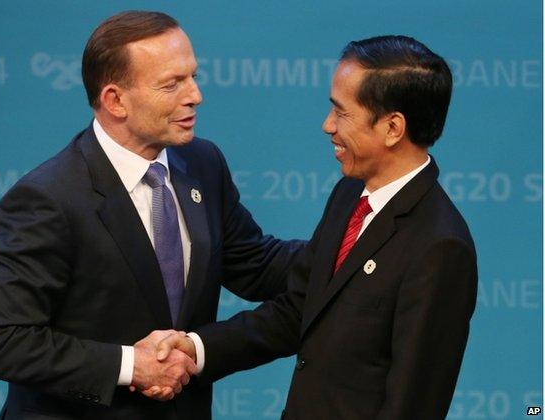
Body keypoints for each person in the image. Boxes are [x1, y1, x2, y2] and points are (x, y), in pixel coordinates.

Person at [0, 11, 303, 420]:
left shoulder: (202, 162)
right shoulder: (48, 199)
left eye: (193, 76)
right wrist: (130, 365)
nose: (195, 95)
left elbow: (255, 263)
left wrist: (352, 247)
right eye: (172, 84)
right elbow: (3, 341)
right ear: (115, 100)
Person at [156, 35, 478, 419]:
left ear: (393, 128)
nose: (328, 126)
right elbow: (298, 310)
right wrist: (196, 348)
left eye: (342, 113)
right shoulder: (349, 194)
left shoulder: (439, 245)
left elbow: (413, 402)